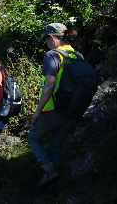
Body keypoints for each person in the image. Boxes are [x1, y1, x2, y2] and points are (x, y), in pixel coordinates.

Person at [28, 23, 79, 188]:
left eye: (46, 40)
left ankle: (48, 169)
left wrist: (37, 112)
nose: (46, 44)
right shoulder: (78, 55)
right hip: (72, 111)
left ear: (52, 38)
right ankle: (52, 184)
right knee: (54, 148)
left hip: (52, 111)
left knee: (33, 137)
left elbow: (49, 86)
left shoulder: (52, 55)